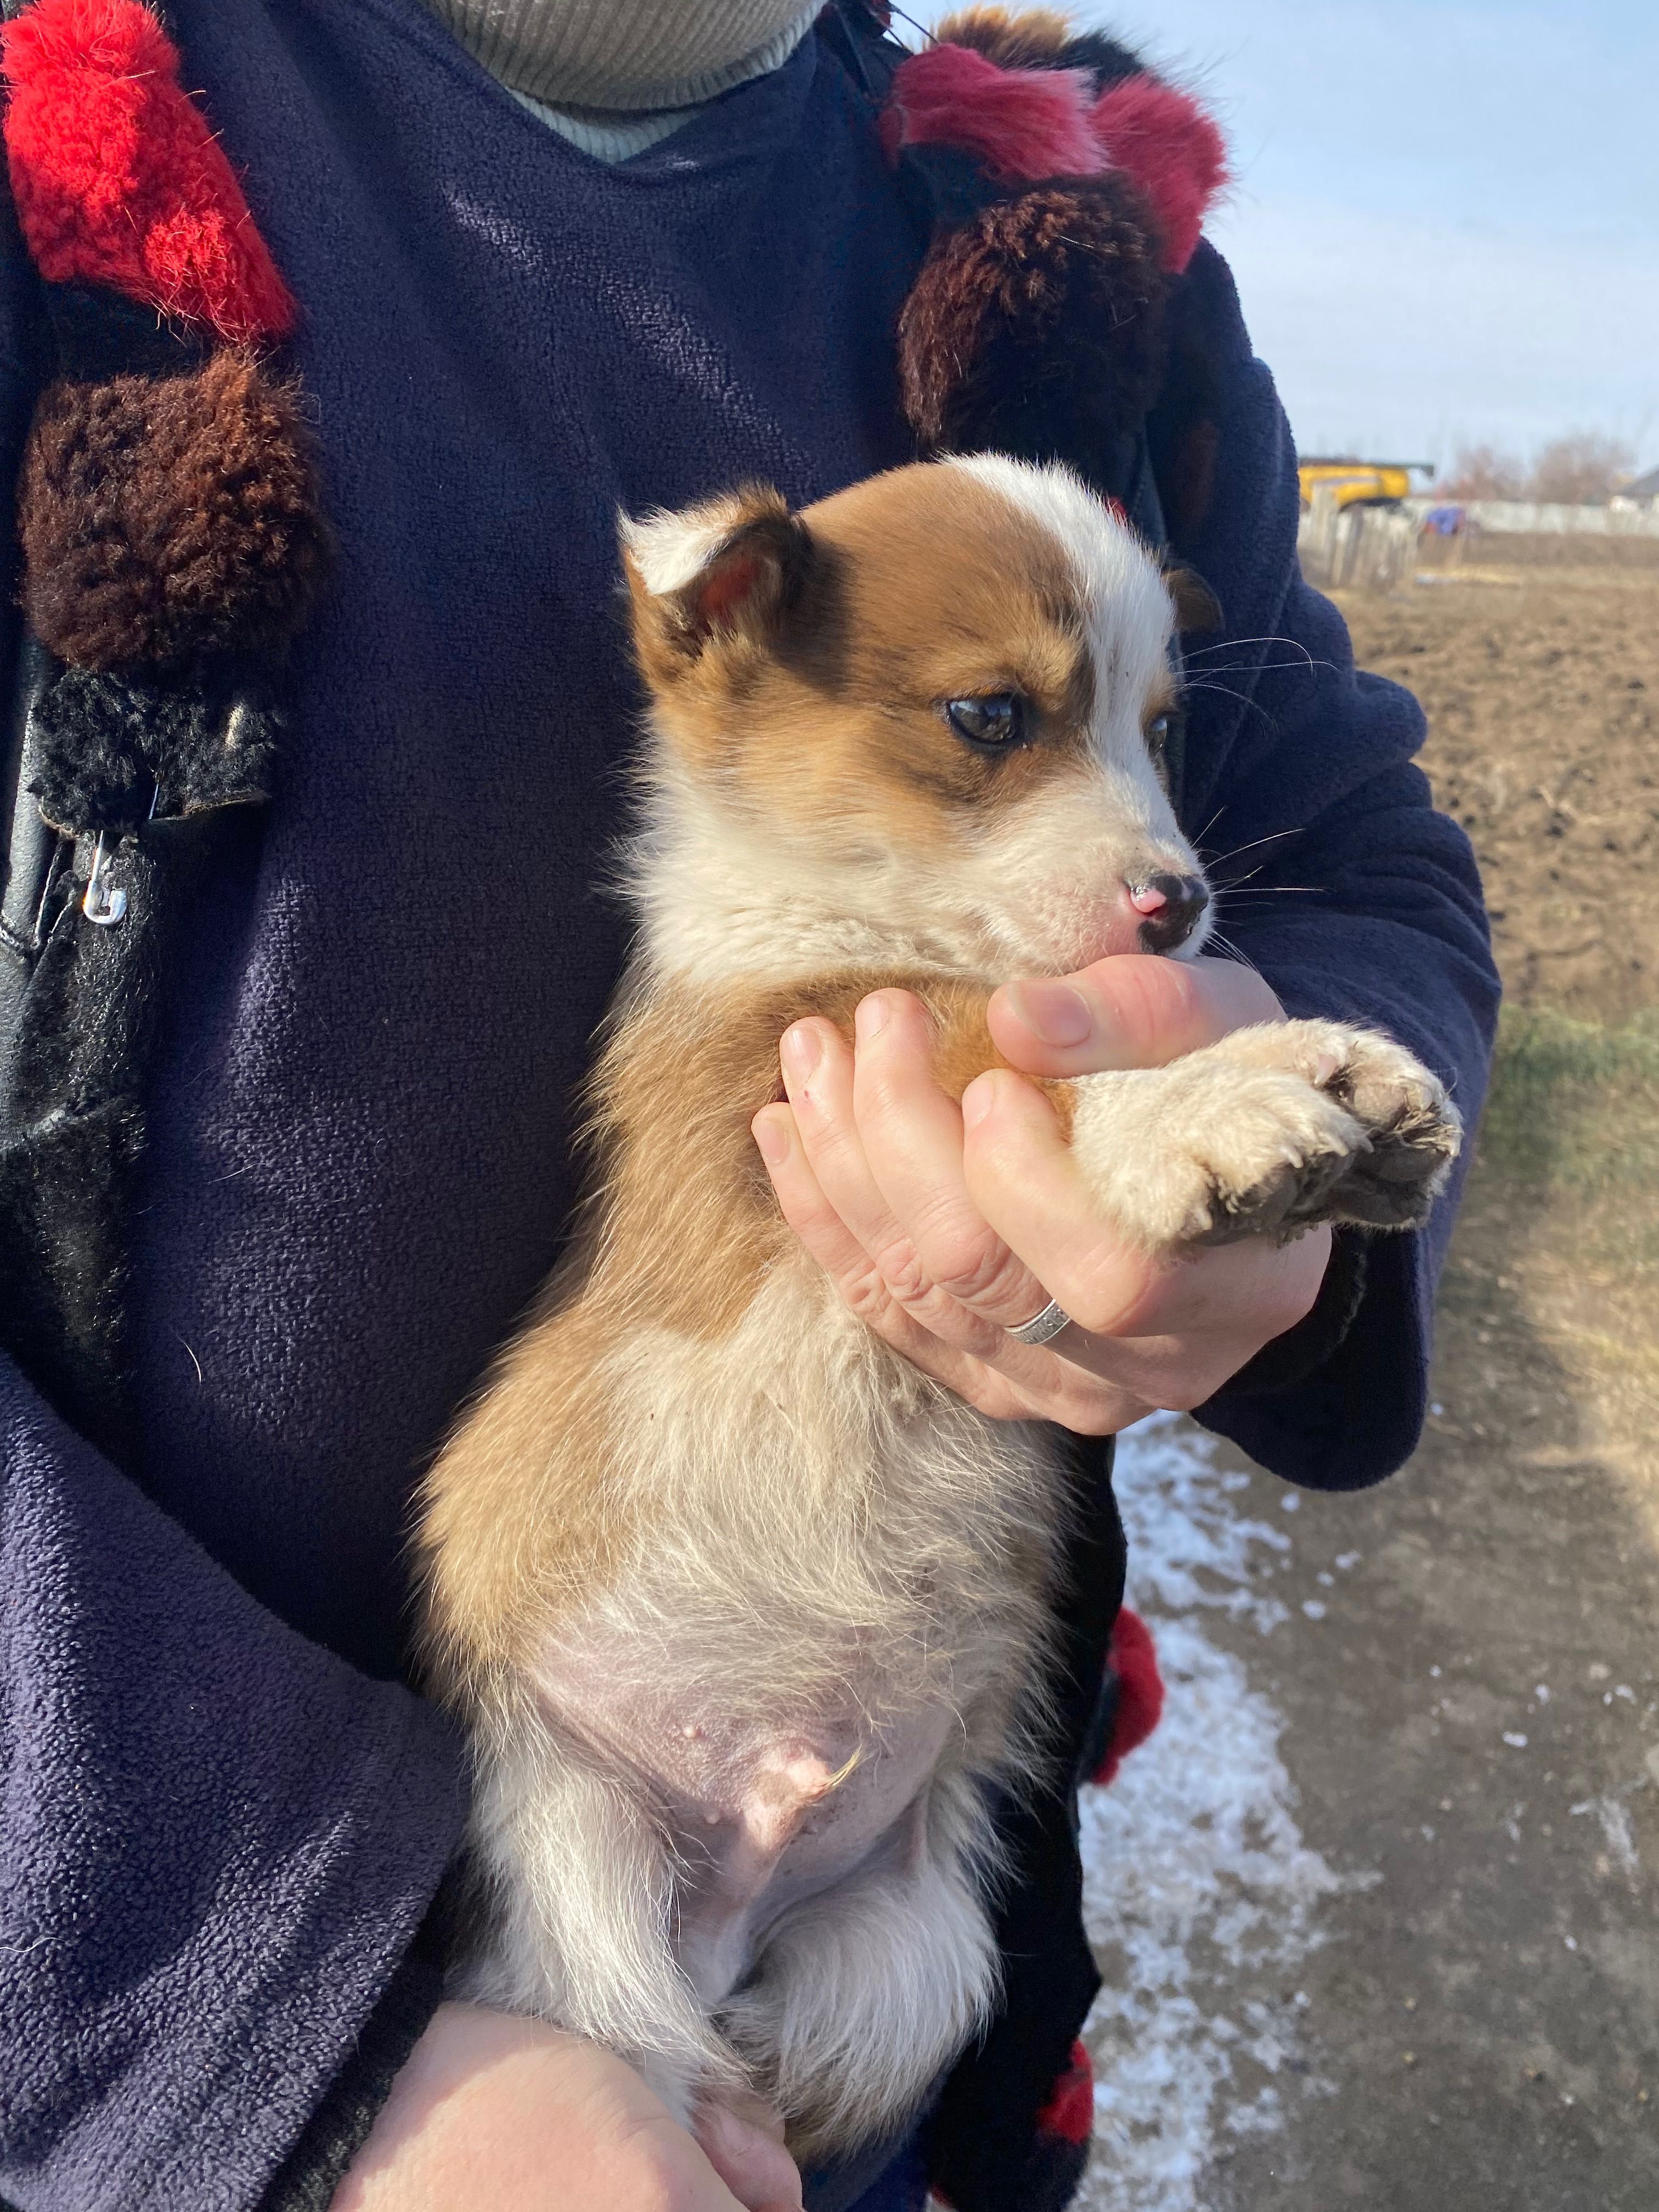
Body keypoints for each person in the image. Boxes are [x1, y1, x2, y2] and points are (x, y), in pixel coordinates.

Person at [0, 3, 1498, 2209]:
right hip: (205, 2042)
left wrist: (1295, 1173)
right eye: (998, 720)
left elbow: (1360, 859)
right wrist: (264, 2015)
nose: (1154, 850)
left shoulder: (1058, 210)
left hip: (862, 1953)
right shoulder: (74, 140)